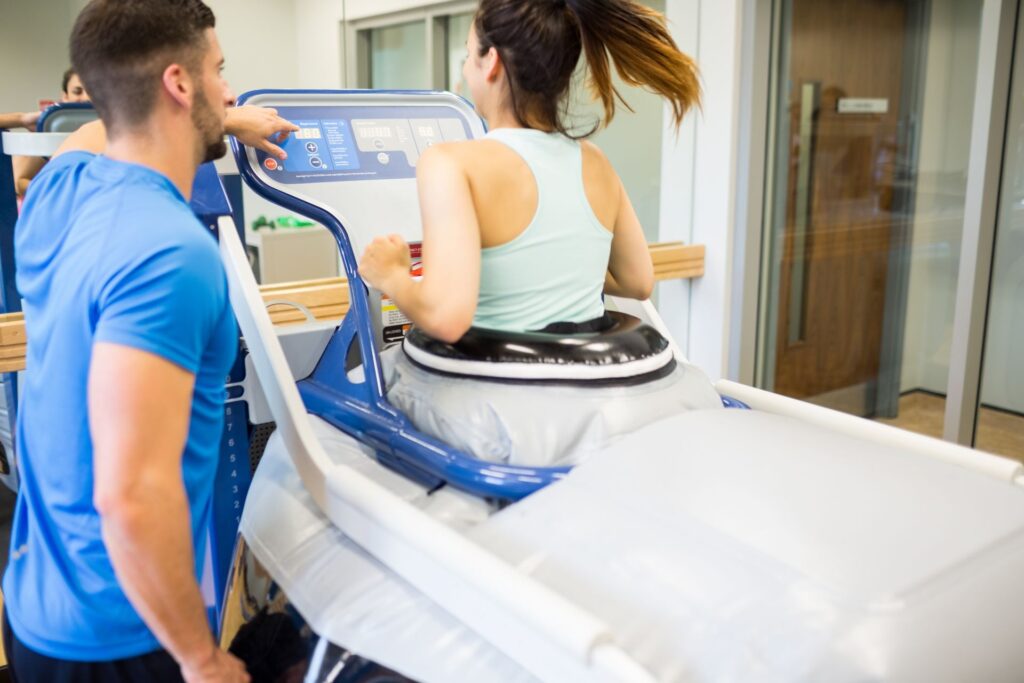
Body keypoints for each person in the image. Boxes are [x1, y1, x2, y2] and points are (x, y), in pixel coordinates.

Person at [2, 1, 296, 681]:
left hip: (36, 610)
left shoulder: (57, 194)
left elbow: (94, 131)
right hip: (121, 634)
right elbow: (131, 493)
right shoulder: (171, 253)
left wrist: (222, 120)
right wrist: (201, 656)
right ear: (179, 83)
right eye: (219, 72)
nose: (230, 92)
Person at [358, 0, 700, 342]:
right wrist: (554, 270)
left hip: (494, 374)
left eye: (469, 56)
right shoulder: (595, 161)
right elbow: (637, 281)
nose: (466, 71)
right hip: (584, 372)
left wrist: (391, 274)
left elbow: (446, 318)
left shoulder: (449, 162)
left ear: (491, 62)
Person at [13, 67, 91, 197]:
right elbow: (21, 182)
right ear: (65, 96)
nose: (86, 98)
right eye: (77, 92)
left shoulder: (117, 128)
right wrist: (60, 194)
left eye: (93, 91)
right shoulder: (48, 129)